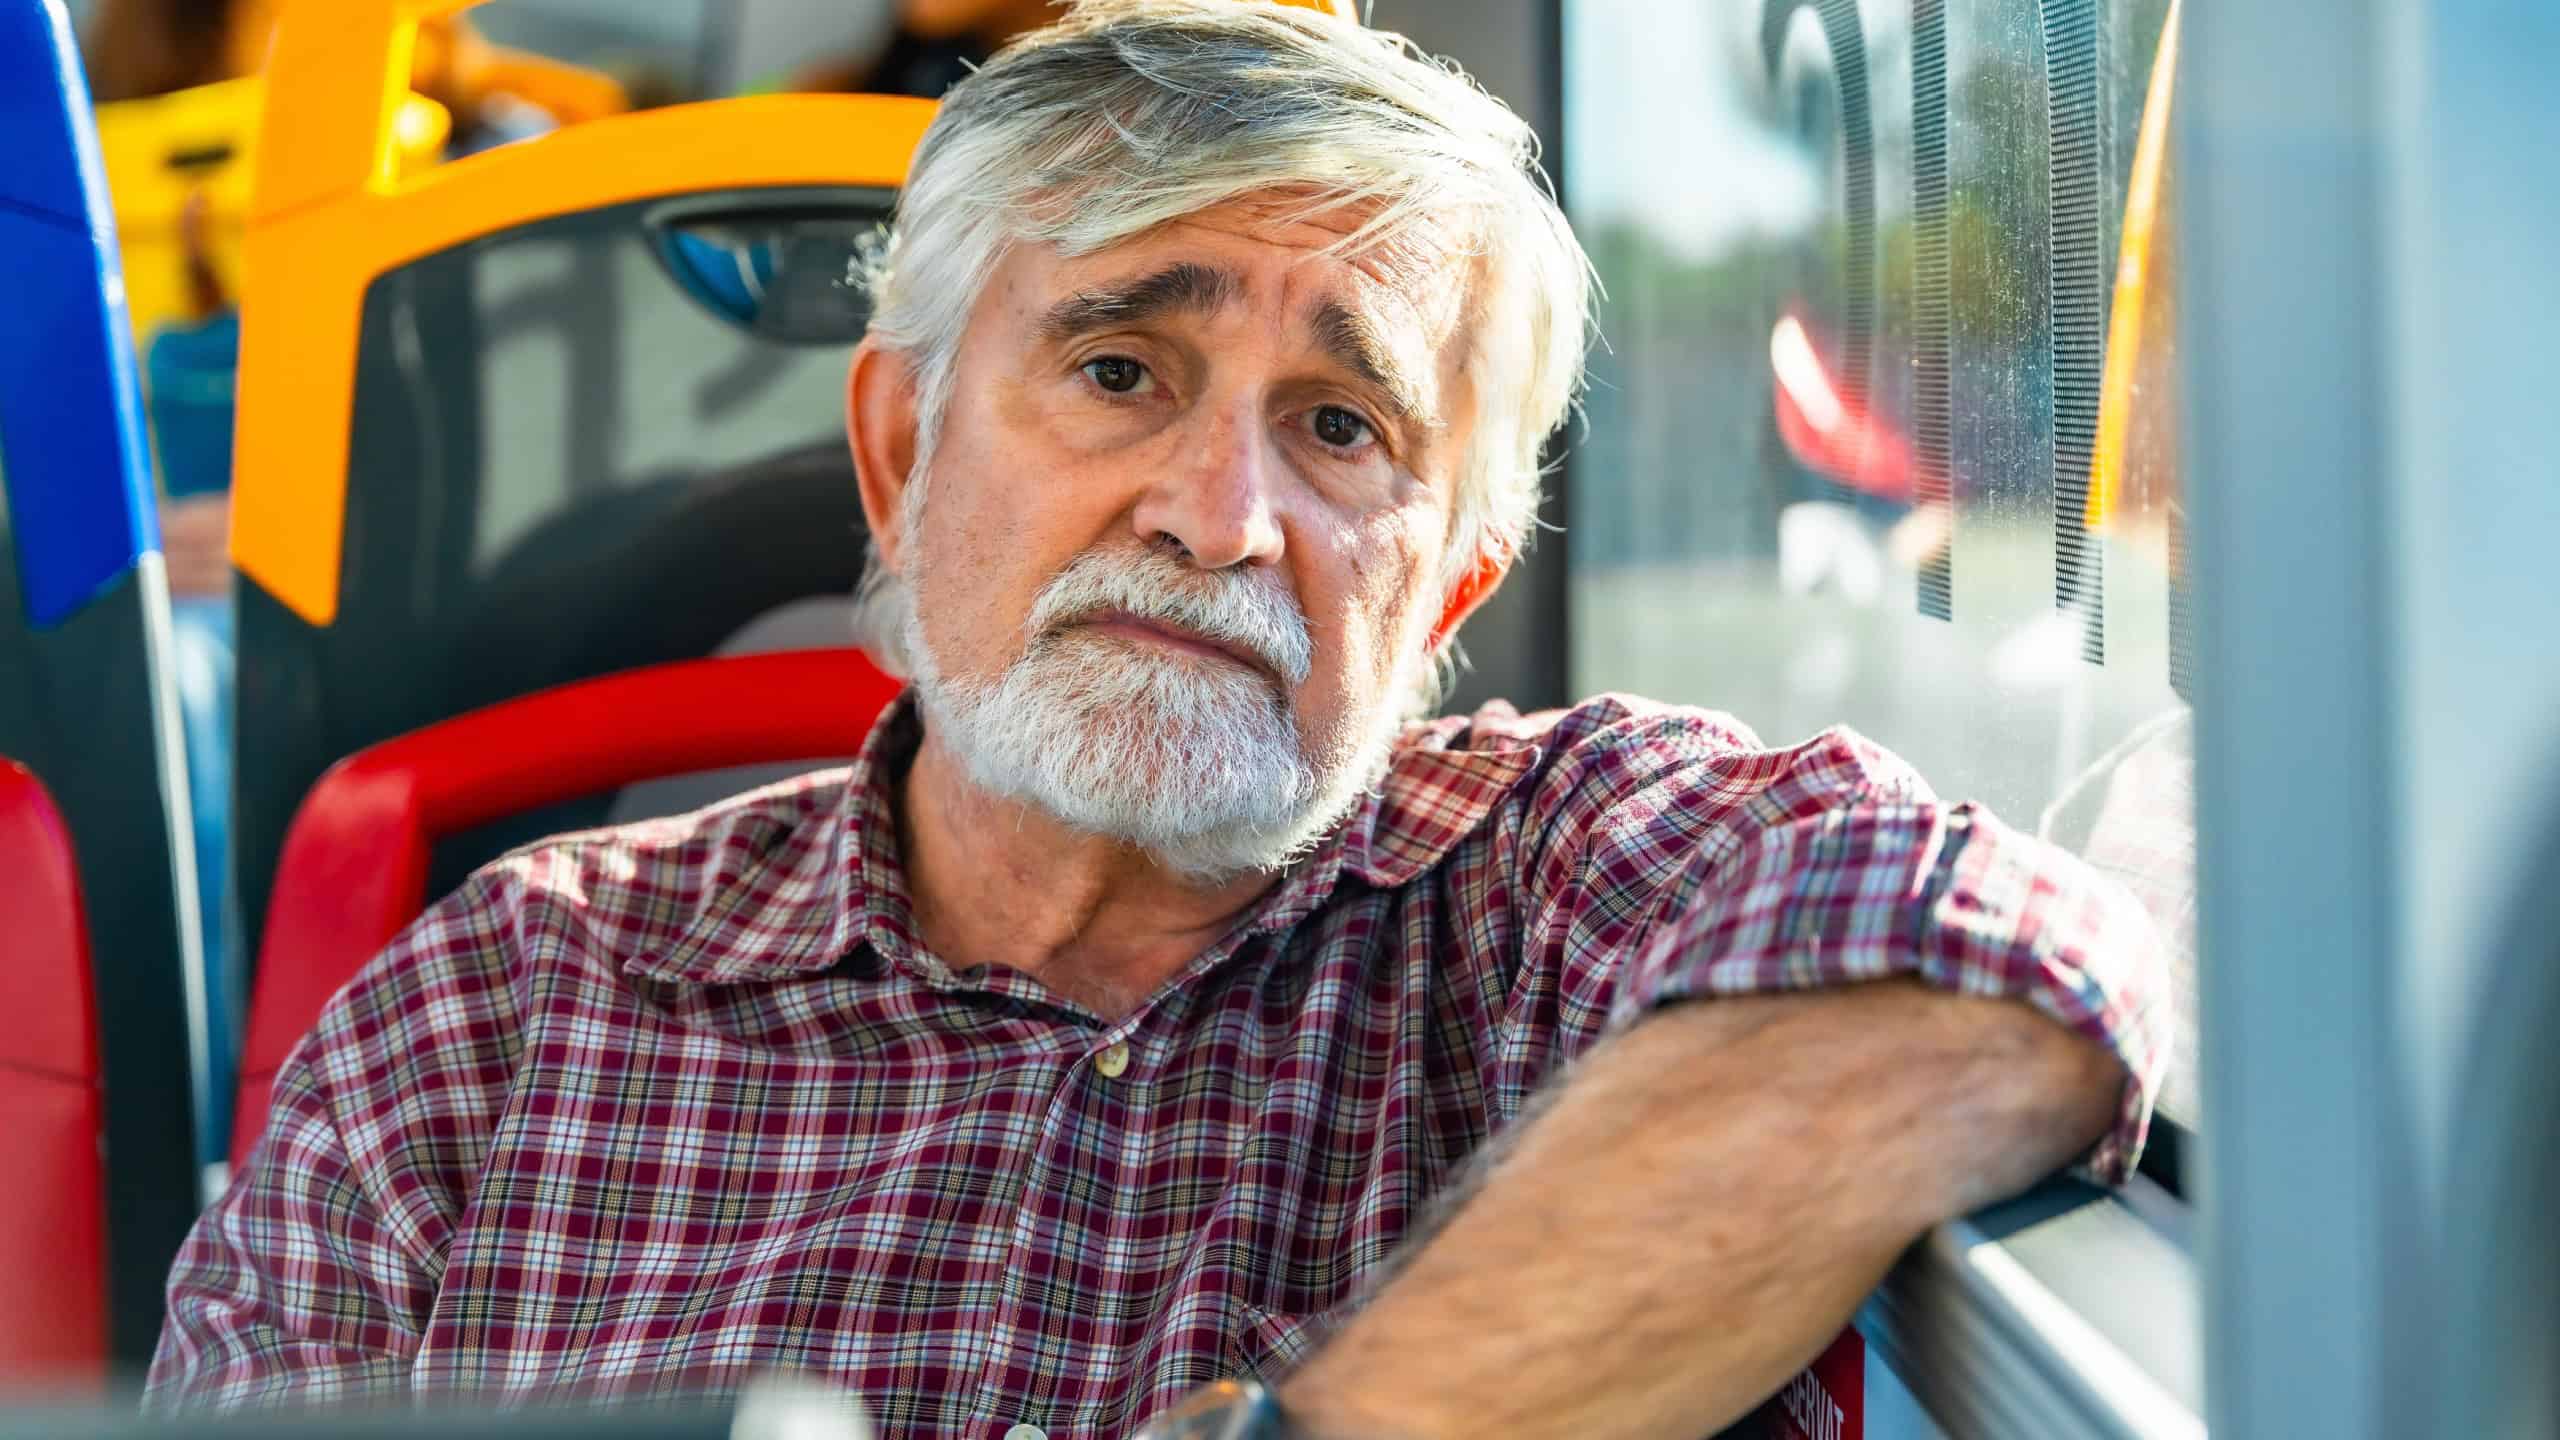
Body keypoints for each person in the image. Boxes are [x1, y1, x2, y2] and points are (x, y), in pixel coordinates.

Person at [147, 3, 2168, 1435]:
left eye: (1339, 427)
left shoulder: (1564, 890)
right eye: (1119, 369)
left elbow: (2000, 965)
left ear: (1445, 592)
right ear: (899, 445)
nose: (1218, 518)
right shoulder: (500, 1008)